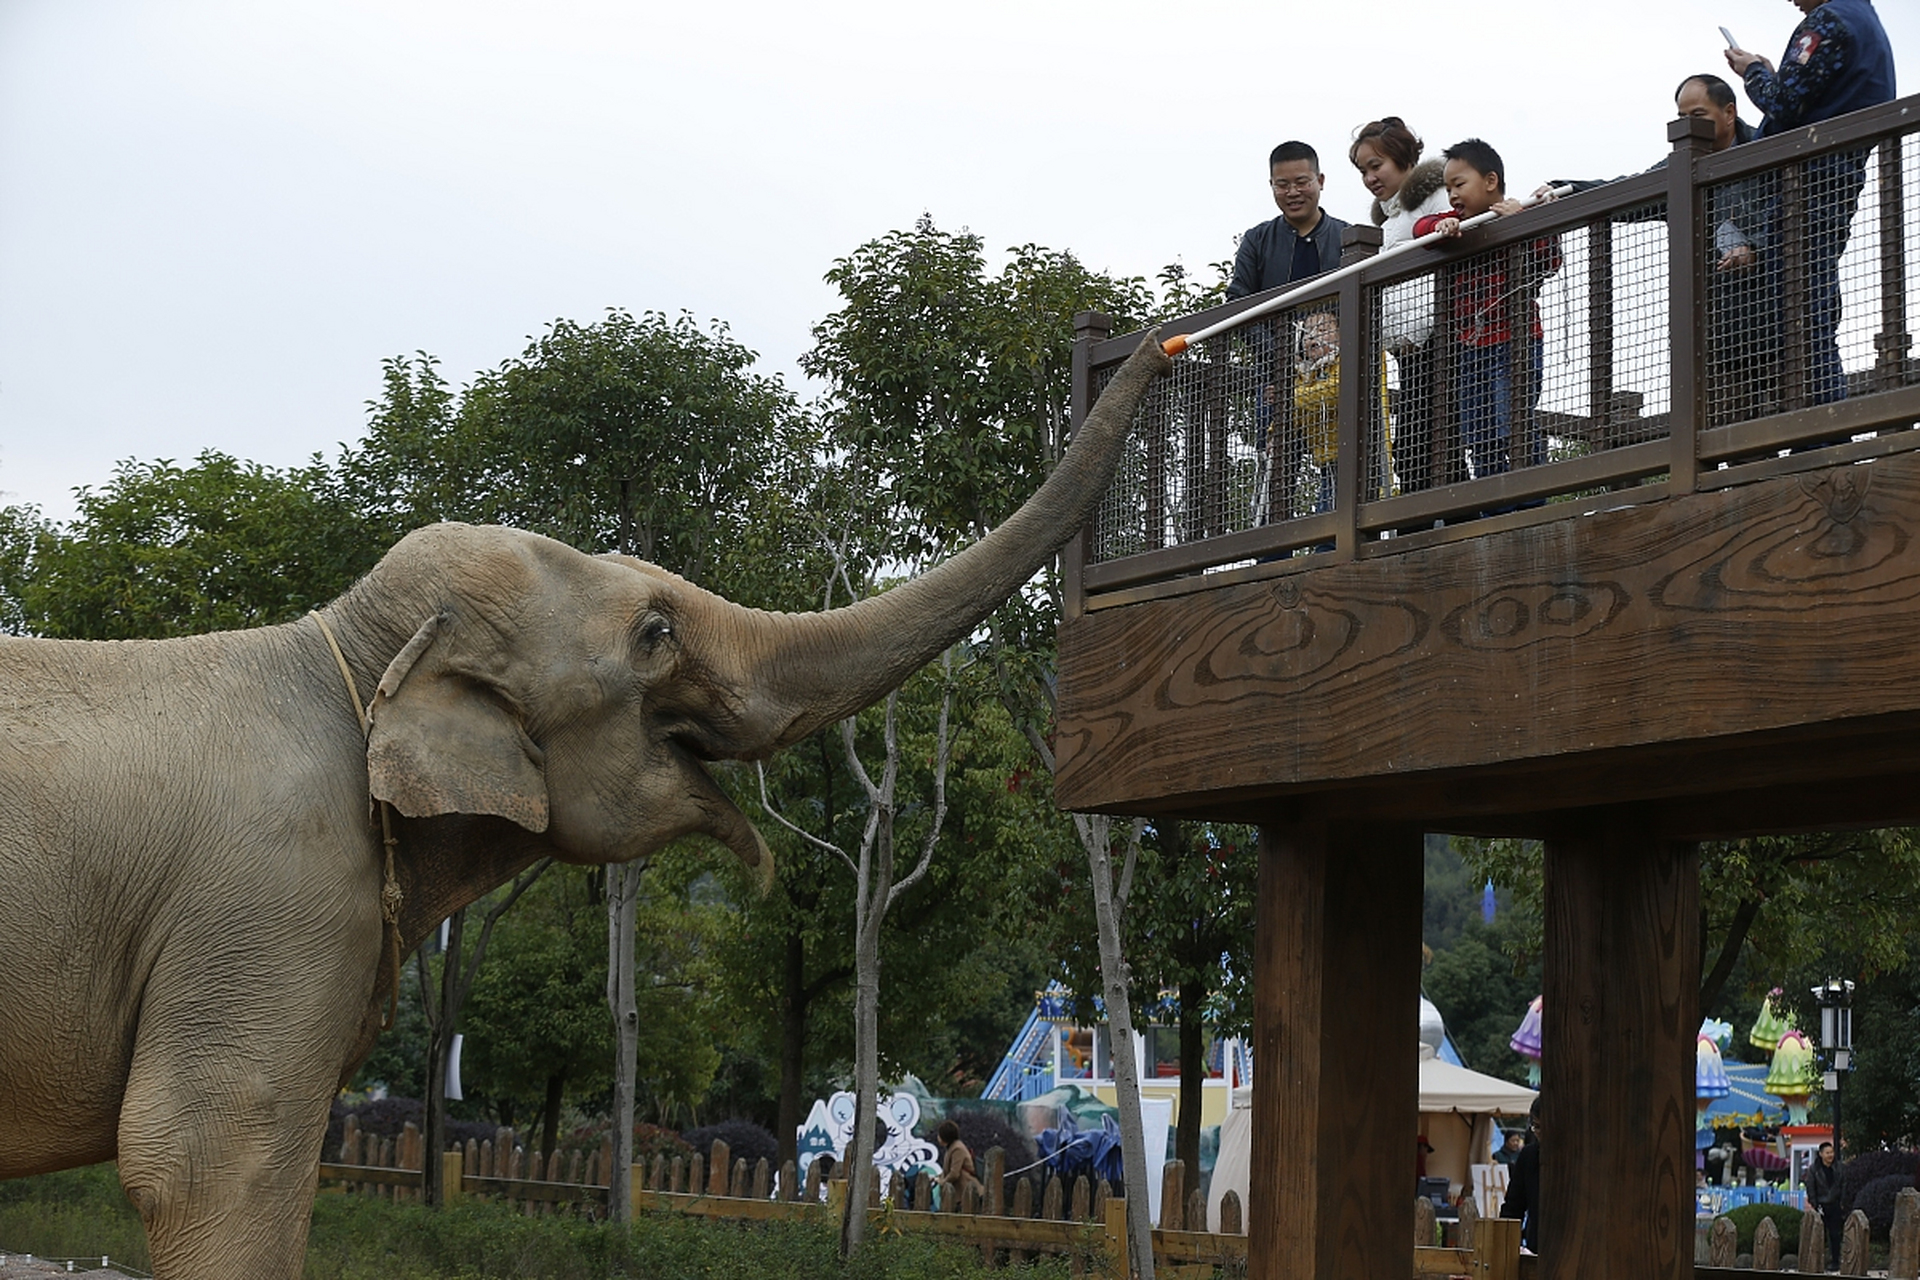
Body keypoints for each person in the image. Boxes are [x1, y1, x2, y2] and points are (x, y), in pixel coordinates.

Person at [1728, 0, 1896, 407]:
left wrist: (1752, 72)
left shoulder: (1827, 20)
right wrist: (1771, 75)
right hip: (1838, 175)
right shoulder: (1864, 19)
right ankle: (1820, 426)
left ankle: (1822, 432)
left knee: (1799, 312)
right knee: (1810, 302)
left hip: (1806, 181)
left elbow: (1784, 104)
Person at [1413, 139, 1562, 482]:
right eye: (1448, 188)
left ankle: (1530, 495)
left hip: (1515, 340)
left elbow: (1551, 258)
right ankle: (1491, 503)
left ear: (1490, 182)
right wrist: (1441, 225)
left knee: (1513, 421)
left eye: (1459, 185)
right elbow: (1420, 229)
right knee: (1479, 433)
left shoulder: (1518, 213)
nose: (1452, 195)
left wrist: (1521, 223)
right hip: (1471, 348)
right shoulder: (1457, 225)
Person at [1351, 116, 1458, 494]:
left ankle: (1441, 525)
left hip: (1439, 339)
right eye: (1363, 170)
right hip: (1405, 348)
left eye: (1376, 166)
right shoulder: (1390, 216)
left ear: (1402, 158)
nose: (1369, 178)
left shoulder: (1435, 195)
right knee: (1416, 444)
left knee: (1431, 442)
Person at [1227, 141, 1351, 301]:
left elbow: (1364, 301)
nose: (1292, 192)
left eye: (1302, 183)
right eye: (1282, 185)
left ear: (1320, 181)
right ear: (1271, 185)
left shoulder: (1348, 238)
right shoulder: (1257, 240)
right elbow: (1237, 303)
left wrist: (1334, 322)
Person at [1501, 1099, 1542, 1252]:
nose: (1540, 1134)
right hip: (1536, 1247)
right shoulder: (1529, 1156)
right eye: (1537, 1127)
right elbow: (1513, 1207)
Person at [1807, 1140, 1844, 1270]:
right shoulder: (1814, 1169)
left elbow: (1844, 1186)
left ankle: (1835, 1261)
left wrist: (1842, 1203)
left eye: (1832, 1152)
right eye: (1827, 1153)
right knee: (1819, 1235)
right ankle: (1817, 1262)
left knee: (1835, 1235)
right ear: (1821, 1154)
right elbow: (1811, 1188)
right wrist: (1815, 1204)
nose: (1830, 1155)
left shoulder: (1839, 1167)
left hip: (1835, 1205)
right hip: (1821, 1206)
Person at [935, 1119, 984, 1210]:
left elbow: (954, 1173)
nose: (937, 1137)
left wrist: (943, 1183)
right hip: (961, 1194)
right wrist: (937, 1177)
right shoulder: (951, 1148)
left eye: (939, 1135)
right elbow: (947, 1170)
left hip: (966, 1193)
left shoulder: (957, 1149)